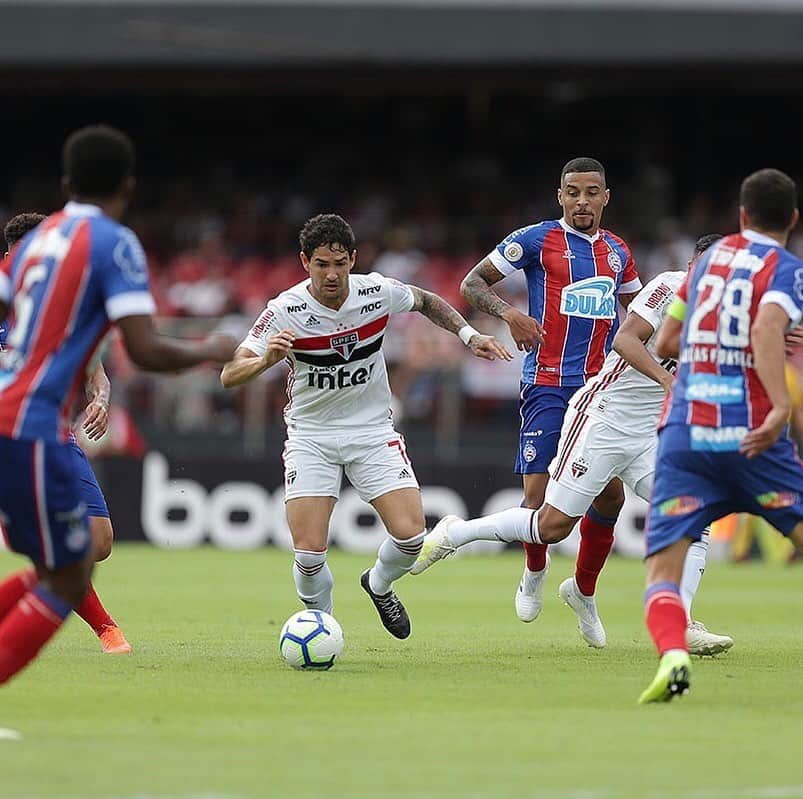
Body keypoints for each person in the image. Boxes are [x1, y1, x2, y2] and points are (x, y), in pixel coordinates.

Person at [413, 235, 733, 656]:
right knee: (552, 526)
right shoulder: (668, 287)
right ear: (693, 265)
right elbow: (624, 341)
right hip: (603, 418)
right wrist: (670, 381)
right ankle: (457, 532)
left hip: (650, 432)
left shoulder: (725, 314)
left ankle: (681, 623)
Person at [0, 125, 235, 685]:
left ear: (66, 182)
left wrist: (95, 385)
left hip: (27, 419)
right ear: (128, 184)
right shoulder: (115, 242)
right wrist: (211, 350)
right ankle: (104, 633)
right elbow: (146, 349)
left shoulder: (37, 241)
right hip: (29, 422)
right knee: (65, 573)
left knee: (71, 562)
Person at [220, 213, 511, 639]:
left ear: (353, 259)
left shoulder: (376, 292)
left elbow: (428, 301)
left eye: (340, 264)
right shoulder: (285, 309)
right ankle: (325, 630)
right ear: (305, 262)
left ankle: (378, 584)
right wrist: (266, 360)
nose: (332, 274)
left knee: (412, 537)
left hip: (371, 431)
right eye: (322, 264)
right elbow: (230, 373)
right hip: (311, 436)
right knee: (308, 554)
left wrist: (469, 336)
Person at [639, 168, 803, 703]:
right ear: (793, 220)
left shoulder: (707, 260)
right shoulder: (785, 268)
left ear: (742, 216)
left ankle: (673, 656)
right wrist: (780, 403)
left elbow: (667, 336)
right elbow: (764, 329)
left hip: (686, 432)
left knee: (662, 569)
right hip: (753, 435)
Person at [458, 157, 642, 621]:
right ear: (560, 196)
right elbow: (472, 283)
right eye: (573, 192)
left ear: (606, 196)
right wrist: (510, 315)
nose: (582, 201)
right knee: (537, 499)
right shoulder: (537, 239)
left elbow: (643, 317)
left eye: (591, 191)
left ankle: (584, 590)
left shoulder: (618, 252)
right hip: (547, 384)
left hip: (602, 392)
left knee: (611, 497)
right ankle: (534, 573)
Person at [0, 212, 131, 654]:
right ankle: (107, 629)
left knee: (97, 540)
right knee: (54, 546)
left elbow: (96, 372)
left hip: (50, 433)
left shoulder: (61, 306)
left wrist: (100, 398)